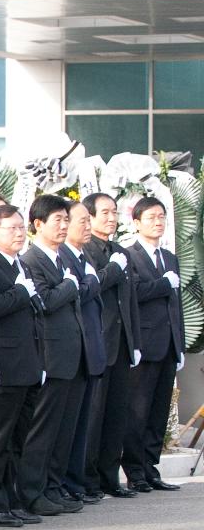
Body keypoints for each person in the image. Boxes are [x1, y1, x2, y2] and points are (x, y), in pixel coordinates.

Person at [0, 204, 44, 528]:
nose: (19, 233)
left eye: (20, 227)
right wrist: (20, 291)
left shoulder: (19, 263)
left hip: (27, 362)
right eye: (11, 228)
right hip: (4, 363)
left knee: (18, 439)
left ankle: (13, 500)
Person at [18, 195, 86, 516]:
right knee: (42, 429)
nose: (63, 226)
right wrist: (71, 286)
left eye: (65, 219)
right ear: (38, 225)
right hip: (48, 356)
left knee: (62, 429)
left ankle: (53, 486)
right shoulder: (31, 260)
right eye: (56, 220)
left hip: (70, 356)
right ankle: (32, 492)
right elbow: (43, 301)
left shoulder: (63, 259)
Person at [121, 196, 185, 492]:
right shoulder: (129, 255)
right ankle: (134, 469)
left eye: (161, 217)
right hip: (145, 344)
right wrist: (163, 283)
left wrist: (180, 344)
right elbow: (134, 293)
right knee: (138, 410)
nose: (158, 222)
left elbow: (176, 305)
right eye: (151, 218)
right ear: (136, 223)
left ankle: (150, 466)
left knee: (158, 411)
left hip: (168, 344)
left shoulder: (169, 257)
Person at [82, 192, 141, 498]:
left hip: (120, 343)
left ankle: (109, 477)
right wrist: (113, 270)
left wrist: (135, 342)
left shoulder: (120, 250)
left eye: (114, 212)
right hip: (98, 342)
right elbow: (91, 288)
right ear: (89, 218)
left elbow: (129, 301)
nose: (111, 217)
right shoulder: (87, 251)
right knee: (94, 415)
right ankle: (89, 480)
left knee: (116, 414)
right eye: (104, 212)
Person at [59, 201, 107, 503]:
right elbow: (75, 292)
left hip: (89, 350)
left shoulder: (84, 255)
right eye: (81, 221)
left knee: (81, 424)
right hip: (69, 353)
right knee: (66, 427)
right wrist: (93, 279)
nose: (87, 226)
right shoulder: (62, 256)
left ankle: (76, 483)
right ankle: (67, 483)